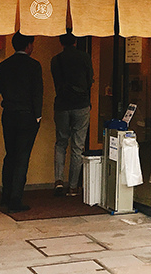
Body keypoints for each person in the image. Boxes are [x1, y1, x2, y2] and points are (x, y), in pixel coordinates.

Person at [0, 33, 42, 212]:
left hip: (8, 115)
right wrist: (38, 116)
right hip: (27, 115)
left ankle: (6, 195)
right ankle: (16, 199)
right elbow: (37, 92)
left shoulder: (4, 65)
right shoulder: (34, 66)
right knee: (22, 157)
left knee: (10, 155)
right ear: (28, 45)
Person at [50, 32, 94, 197]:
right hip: (81, 105)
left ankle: (58, 180)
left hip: (62, 104)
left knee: (61, 142)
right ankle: (73, 186)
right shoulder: (84, 57)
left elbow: (57, 82)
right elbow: (90, 80)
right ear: (75, 41)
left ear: (60, 42)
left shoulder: (56, 60)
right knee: (78, 146)